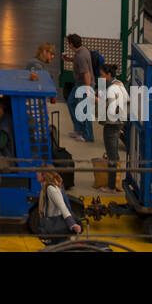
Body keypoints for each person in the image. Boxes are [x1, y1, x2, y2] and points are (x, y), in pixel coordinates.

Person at [100, 63, 127, 192]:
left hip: (112, 124)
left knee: (112, 156)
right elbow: (128, 98)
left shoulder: (113, 88)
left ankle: (111, 186)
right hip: (118, 123)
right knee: (113, 153)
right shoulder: (119, 83)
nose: (101, 78)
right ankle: (115, 182)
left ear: (109, 75)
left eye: (103, 75)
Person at [64, 34, 95, 142]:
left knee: (85, 110)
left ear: (71, 44)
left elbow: (86, 73)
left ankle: (88, 135)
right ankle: (79, 129)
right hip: (80, 84)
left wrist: (87, 89)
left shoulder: (81, 56)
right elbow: (78, 61)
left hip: (84, 85)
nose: (68, 45)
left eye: (68, 43)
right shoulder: (82, 51)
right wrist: (68, 59)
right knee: (71, 102)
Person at [35, 170, 82, 238]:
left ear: (44, 175)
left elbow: (63, 207)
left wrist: (72, 224)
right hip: (53, 225)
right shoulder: (45, 186)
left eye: (39, 173)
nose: (36, 173)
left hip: (56, 226)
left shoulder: (51, 189)